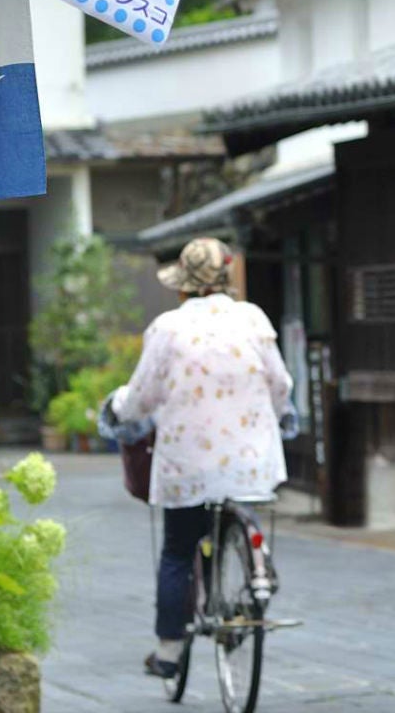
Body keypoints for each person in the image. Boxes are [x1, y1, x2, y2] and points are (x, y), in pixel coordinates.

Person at [109, 237, 293, 679]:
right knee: (237, 510)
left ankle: (169, 653)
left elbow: (141, 398)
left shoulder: (168, 328)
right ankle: (253, 571)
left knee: (177, 551)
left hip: (188, 467)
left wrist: (118, 409)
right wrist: (281, 416)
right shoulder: (253, 319)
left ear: (183, 286)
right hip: (251, 463)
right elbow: (280, 384)